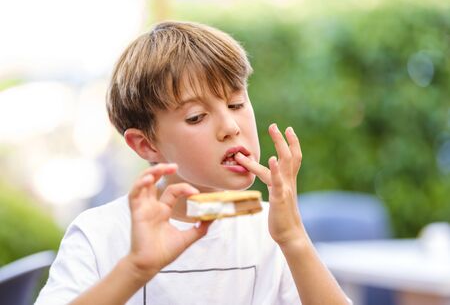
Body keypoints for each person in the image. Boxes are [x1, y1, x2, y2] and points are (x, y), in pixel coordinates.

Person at [35, 21, 351, 305]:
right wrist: (135, 269)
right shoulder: (100, 234)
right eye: (196, 117)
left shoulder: (272, 229)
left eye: (236, 103)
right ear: (146, 144)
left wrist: (294, 239)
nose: (230, 126)